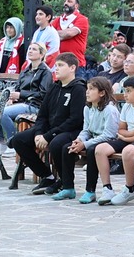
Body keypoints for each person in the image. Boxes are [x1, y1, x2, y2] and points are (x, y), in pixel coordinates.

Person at [7, 55, 83, 195]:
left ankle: (65, 182)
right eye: (56, 65)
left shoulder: (79, 89)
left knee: (56, 143)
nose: (56, 69)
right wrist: (38, 134)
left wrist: (48, 136)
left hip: (70, 130)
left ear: (72, 68)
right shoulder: (54, 87)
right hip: (49, 129)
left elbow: (75, 120)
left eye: (61, 65)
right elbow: (42, 115)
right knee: (19, 140)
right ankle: (47, 176)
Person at [92, 74, 134, 204]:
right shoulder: (127, 106)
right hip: (131, 138)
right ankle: (107, 189)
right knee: (100, 149)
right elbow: (120, 129)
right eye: (124, 91)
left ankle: (130, 189)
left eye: (128, 91)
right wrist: (132, 133)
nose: (125, 94)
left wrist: (126, 137)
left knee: (127, 152)